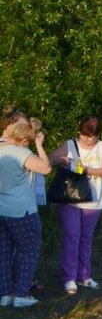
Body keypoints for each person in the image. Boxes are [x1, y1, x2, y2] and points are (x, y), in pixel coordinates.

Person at [49, 115, 102, 295]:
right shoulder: (70, 145)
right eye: (83, 134)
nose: (86, 139)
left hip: (94, 200)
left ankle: (84, 275)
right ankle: (69, 278)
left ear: (98, 135)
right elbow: (49, 160)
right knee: (72, 236)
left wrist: (87, 170)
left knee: (86, 238)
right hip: (70, 199)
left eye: (90, 136)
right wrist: (61, 161)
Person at [0, 118, 52, 308]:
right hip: (22, 211)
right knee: (28, 251)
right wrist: (39, 145)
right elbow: (46, 167)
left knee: (4, 252)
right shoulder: (21, 153)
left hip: (2, 210)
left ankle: (5, 293)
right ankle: (22, 294)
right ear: (24, 141)